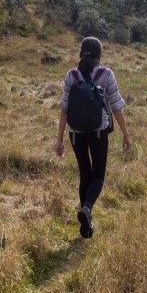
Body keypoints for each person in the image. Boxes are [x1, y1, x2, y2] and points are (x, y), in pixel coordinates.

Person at [55, 36, 131, 238]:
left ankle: (86, 227)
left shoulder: (71, 75)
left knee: (84, 175)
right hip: (98, 132)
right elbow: (116, 106)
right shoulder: (106, 74)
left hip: (75, 132)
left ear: (81, 52)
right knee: (98, 176)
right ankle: (87, 210)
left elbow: (64, 109)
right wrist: (126, 134)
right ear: (100, 54)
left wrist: (60, 139)